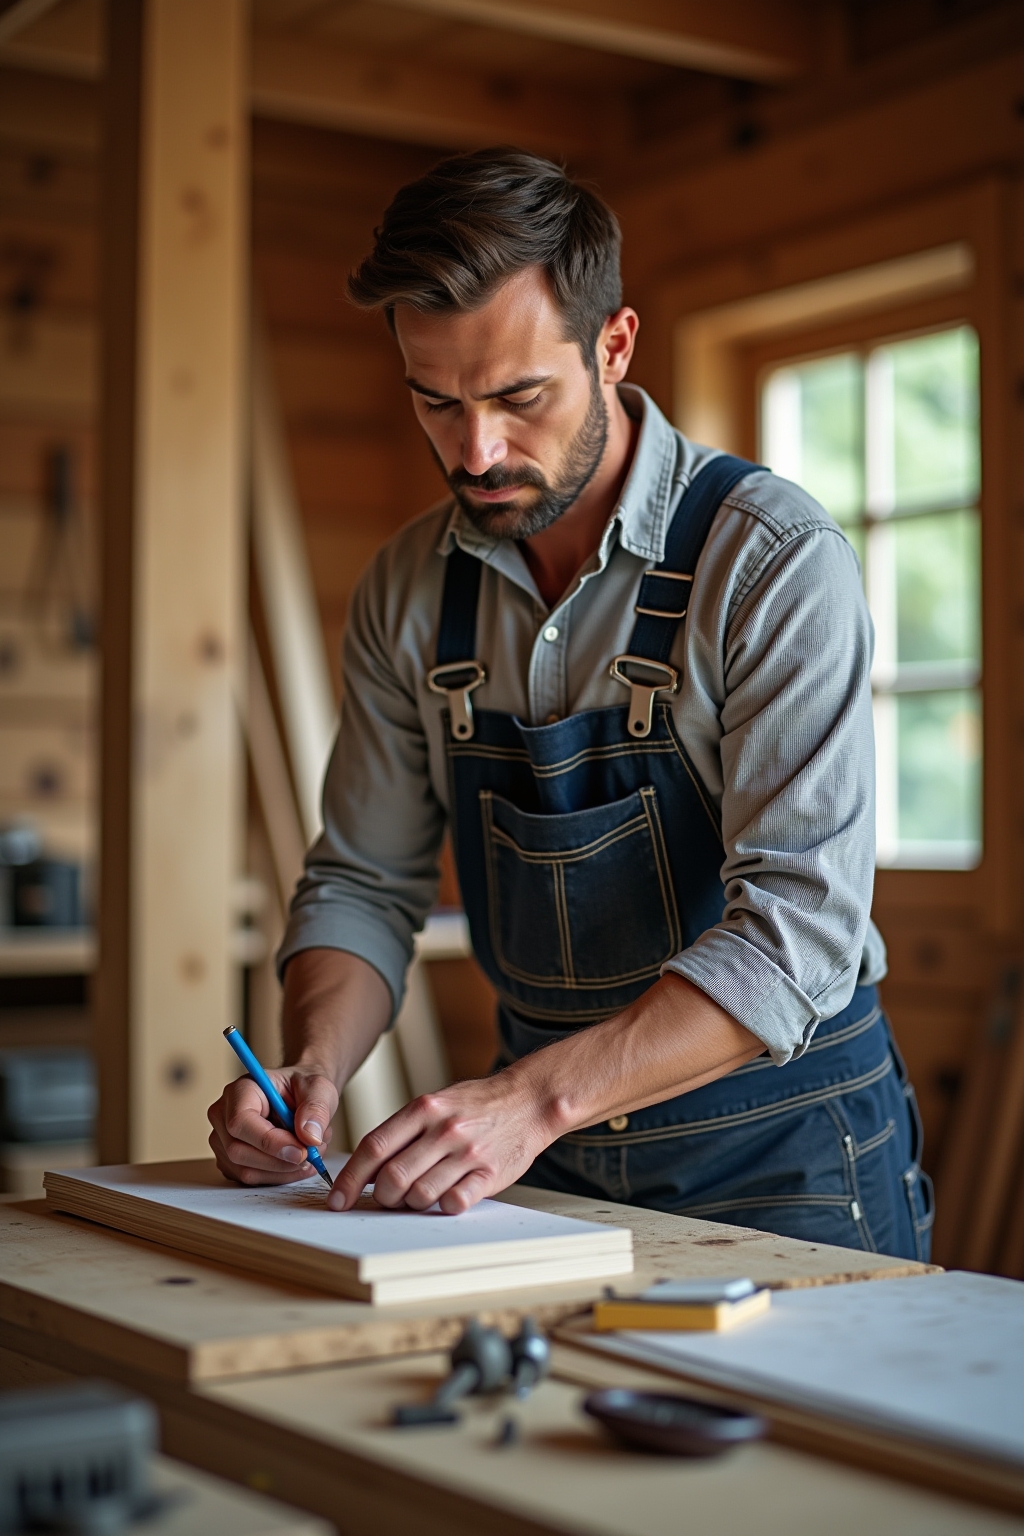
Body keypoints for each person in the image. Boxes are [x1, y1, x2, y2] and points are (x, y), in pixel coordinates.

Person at [208, 148, 933, 1261]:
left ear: (614, 345)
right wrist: (314, 1064)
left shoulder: (771, 562)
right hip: (552, 1167)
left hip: (784, 1159)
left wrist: (528, 1102)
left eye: (517, 397)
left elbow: (799, 932)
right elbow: (362, 879)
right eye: (435, 403)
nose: (477, 451)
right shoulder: (409, 590)